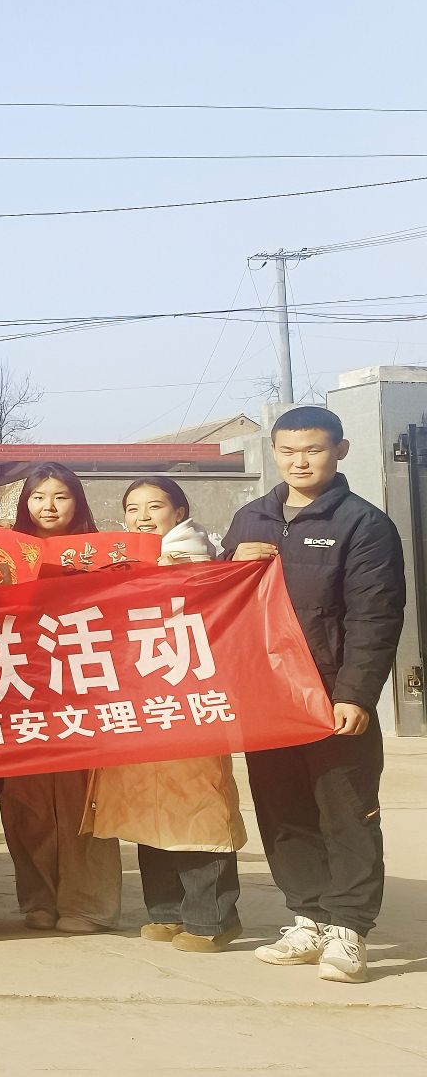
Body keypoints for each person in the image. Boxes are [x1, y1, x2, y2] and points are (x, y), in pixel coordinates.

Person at [225, 406, 405, 983]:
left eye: (314, 450)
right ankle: (308, 917)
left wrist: (355, 694)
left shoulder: (364, 524)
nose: (300, 462)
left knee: (346, 811)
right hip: (266, 696)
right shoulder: (251, 517)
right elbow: (219, 601)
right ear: (273, 453)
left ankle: (349, 929)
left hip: (330, 695)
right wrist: (230, 562)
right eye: (288, 451)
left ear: (340, 451)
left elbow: (375, 617)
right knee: (283, 810)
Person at [82, 477, 245, 952]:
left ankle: (213, 918)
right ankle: (166, 911)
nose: (143, 517)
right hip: (138, 703)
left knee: (198, 810)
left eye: (155, 507)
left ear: (180, 512)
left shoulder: (197, 558)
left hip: (188, 704)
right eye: (133, 509)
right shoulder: (120, 564)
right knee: (145, 812)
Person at [0, 462, 123, 934]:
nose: (48, 507)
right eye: (38, 497)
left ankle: (87, 903)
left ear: (78, 501)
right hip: (18, 685)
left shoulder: (105, 552)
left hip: (83, 685)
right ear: (24, 503)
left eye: (60, 496)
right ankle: (38, 898)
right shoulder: (3, 553)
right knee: (25, 800)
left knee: (83, 801)